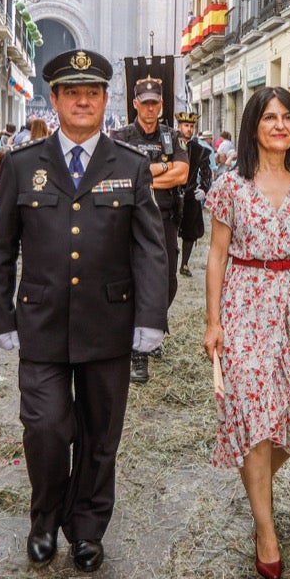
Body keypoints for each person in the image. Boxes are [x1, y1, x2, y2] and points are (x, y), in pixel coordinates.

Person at [0, 49, 168, 573]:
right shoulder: (22, 165)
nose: (82, 100)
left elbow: (150, 249)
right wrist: (0, 316)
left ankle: (87, 526)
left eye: (92, 92)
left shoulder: (130, 166)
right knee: (45, 428)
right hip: (39, 323)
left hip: (108, 324)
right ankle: (44, 518)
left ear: (106, 100)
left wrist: (150, 318)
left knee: (99, 434)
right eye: (71, 92)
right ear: (56, 100)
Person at [203, 88, 290, 579]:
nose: (280, 125)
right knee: (254, 412)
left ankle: (255, 479)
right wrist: (213, 321)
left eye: (288, 118)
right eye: (270, 117)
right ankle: (266, 529)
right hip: (245, 302)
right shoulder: (230, 186)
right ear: (253, 124)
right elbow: (216, 255)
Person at [113, 76, 189, 382]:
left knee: (167, 283)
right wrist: (162, 168)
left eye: (154, 103)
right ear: (135, 104)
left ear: (161, 104)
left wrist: (141, 178)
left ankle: (153, 326)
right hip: (130, 220)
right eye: (144, 103)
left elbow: (182, 174)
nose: (150, 108)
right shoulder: (120, 135)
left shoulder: (172, 136)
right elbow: (117, 176)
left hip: (164, 220)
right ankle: (138, 351)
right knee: (136, 282)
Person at [176, 111, 213, 277]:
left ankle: (184, 263)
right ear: (179, 126)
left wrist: (204, 189)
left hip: (190, 195)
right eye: (186, 125)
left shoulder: (199, 150)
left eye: (191, 126)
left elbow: (207, 173)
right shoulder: (170, 144)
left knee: (190, 233)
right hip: (171, 194)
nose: (189, 129)